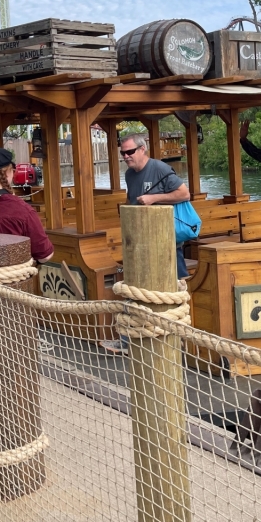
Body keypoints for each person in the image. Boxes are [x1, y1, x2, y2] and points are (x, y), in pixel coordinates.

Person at [99, 133, 190, 355]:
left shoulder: (159, 168)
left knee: (174, 292)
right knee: (135, 292)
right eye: (123, 153)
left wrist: (153, 199)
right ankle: (128, 341)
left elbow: (184, 193)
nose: (126, 156)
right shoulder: (130, 175)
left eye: (130, 152)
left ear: (142, 149)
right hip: (139, 245)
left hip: (166, 244)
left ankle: (181, 342)